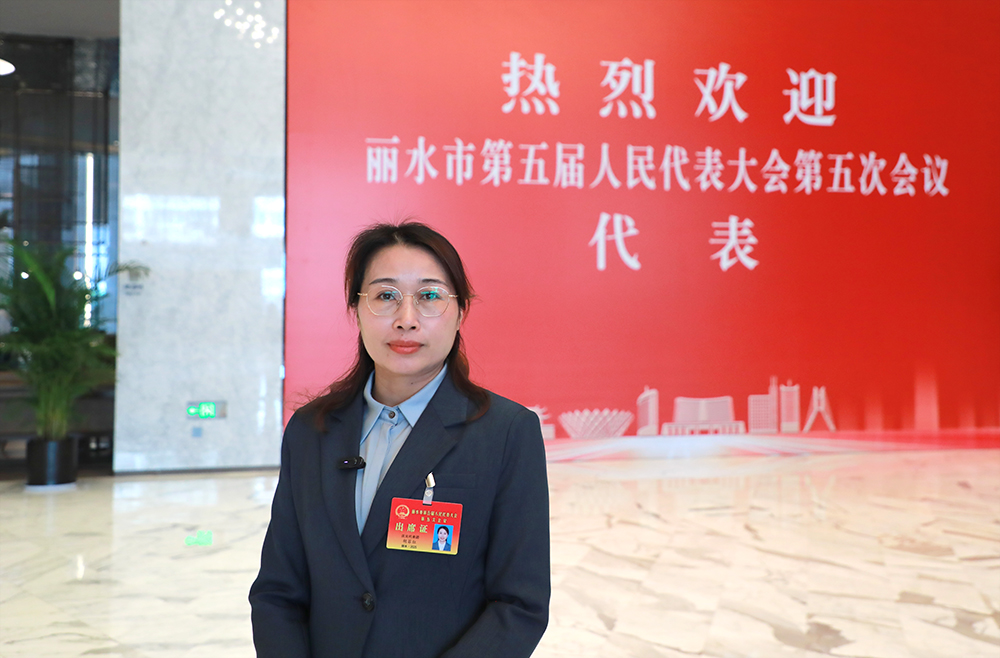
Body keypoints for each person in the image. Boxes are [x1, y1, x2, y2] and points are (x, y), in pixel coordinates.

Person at [249, 221, 550, 658]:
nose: (406, 319)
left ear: (460, 312)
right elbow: (278, 592)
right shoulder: (312, 431)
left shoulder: (506, 432)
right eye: (385, 296)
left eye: (429, 296)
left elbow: (519, 606)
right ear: (357, 310)